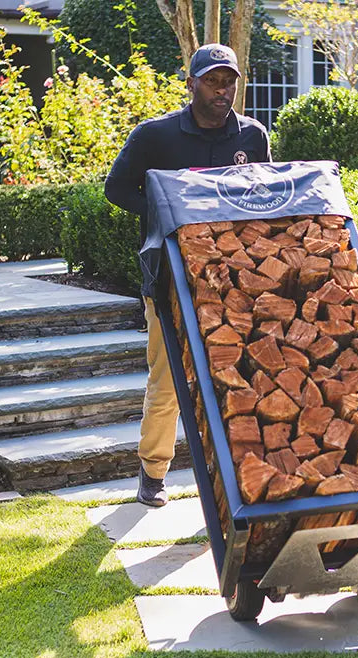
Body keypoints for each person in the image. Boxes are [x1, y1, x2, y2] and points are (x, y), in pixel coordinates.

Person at [105, 43, 271, 507]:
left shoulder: (252, 136)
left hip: (236, 286)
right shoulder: (154, 136)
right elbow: (116, 188)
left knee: (238, 380)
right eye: (214, 81)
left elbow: (259, 198)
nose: (223, 90)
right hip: (169, 282)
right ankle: (152, 474)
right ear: (191, 82)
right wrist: (167, 216)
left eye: (230, 81)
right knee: (169, 382)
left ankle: (238, 481)